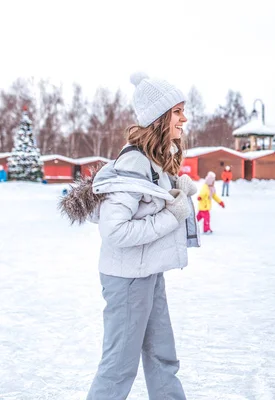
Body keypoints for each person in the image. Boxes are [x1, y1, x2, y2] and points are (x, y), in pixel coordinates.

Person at [59, 72, 198, 400]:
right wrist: (172, 215)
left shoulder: (154, 162)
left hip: (148, 273)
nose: (184, 118)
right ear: (160, 118)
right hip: (127, 280)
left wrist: (176, 191)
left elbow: (146, 201)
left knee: (162, 357)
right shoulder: (135, 162)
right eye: (177, 111)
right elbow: (116, 230)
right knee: (119, 366)